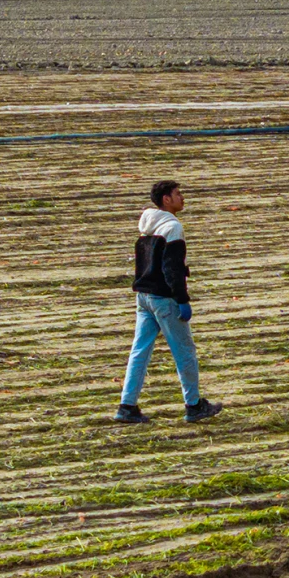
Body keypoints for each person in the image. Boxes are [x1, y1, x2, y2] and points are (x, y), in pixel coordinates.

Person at [117, 178, 221, 422]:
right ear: (166, 199)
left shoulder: (147, 225)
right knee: (184, 352)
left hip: (144, 298)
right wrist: (182, 299)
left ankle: (127, 406)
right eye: (178, 194)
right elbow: (172, 269)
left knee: (139, 352)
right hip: (164, 299)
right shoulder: (172, 227)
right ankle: (194, 405)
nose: (182, 198)